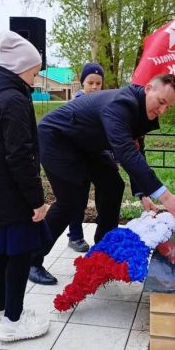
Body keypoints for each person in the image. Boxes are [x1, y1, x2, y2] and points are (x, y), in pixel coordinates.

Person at [29, 73, 175, 285]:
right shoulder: (120, 105)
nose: (162, 110)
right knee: (70, 202)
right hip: (57, 140)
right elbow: (125, 152)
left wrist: (143, 193)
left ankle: (103, 250)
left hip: (86, 145)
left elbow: (136, 150)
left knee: (113, 185)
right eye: (161, 102)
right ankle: (31, 259)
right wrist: (165, 196)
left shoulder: (143, 111)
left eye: (168, 107)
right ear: (147, 89)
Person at [0, 30, 50, 342]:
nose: (36, 75)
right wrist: (36, 199)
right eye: (34, 70)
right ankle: (13, 322)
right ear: (19, 68)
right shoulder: (14, 99)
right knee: (19, 254)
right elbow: (19, 155)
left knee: (1, 252)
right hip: (11, 192)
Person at [65, 62, 105, 253]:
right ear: (83, 84)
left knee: (102, 197)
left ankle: (104, 235)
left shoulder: (104, 105)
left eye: (98, 83)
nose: (95, 87)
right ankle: (75, 235)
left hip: (96, 159)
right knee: (77, 200)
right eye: (91, 83)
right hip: (76, 161)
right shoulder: (74, 105)